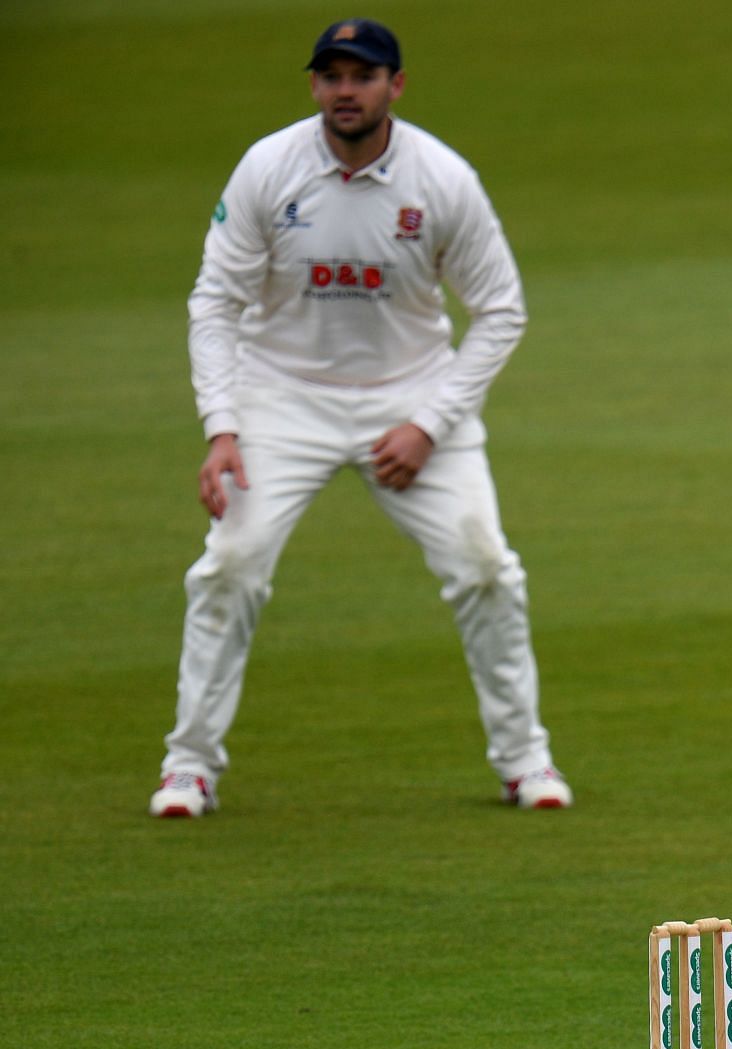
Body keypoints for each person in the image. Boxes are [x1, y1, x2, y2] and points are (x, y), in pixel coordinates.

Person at [149, 18, 570, 817]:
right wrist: (222, 427)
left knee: (485, 568)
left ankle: (526, 761)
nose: (346, 91)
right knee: (230, 565)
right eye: (332, 76)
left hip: (410, 396)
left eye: (363, 76)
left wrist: (431, 424)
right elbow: (216, 301)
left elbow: (501, 310)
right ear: (314, 86)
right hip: (281, 396)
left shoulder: (442, 180)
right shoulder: (268, 169)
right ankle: (188, 767)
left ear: (395, 86)